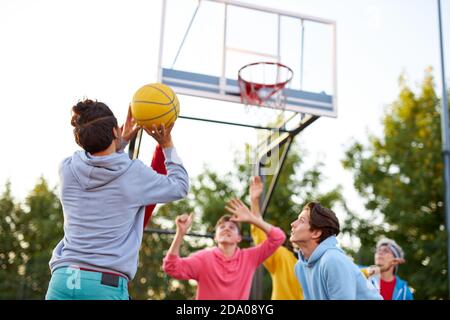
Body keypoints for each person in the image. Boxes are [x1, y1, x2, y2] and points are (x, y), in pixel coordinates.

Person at [46, 99, 189, 300]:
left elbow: (99, 161)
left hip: (62, 280)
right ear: (114, 131)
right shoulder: (133, 173)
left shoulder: (67, 169)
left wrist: (120, 141)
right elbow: (180, 186)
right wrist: (166, 144)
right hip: (104, 284)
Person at [162, 199, 286, 300]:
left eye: (232, 227)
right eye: (222, 227)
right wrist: (180, 233)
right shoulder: (204, 258)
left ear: (239, 238)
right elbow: (171, 267)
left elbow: (278, 237)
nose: (226, 228)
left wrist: (252, 219)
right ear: (215, 237)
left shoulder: (249, 258)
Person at [290, 202, 382, 300]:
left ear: (316, 233)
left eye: (301, 220)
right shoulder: (300, 267)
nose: (293, 224)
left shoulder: (332, 260)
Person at [248, 176, 303, 300]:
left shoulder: (326, 262)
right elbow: (259, 234)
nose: (294, 226)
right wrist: (254, 201)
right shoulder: (283, 258)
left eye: (302, 223)